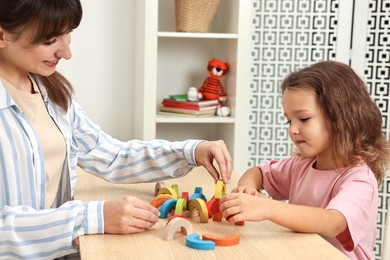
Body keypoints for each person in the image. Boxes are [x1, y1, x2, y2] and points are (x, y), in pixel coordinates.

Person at [0, 0, 233, 259]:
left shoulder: (51, 94)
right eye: (50, 40)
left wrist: (191, 151)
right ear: (2, 35)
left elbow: (111, 155)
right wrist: (94, 218)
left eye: (68, 35)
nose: (66, 53)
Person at [220, 60, 390, 260]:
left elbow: (332, 222)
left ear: (341, 117)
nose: (292, 129)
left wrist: (266, 208)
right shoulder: (300, 165)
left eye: (304, 119)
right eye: (289, 120)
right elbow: (257, 172)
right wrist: (247, 188)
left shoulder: (360, 179)